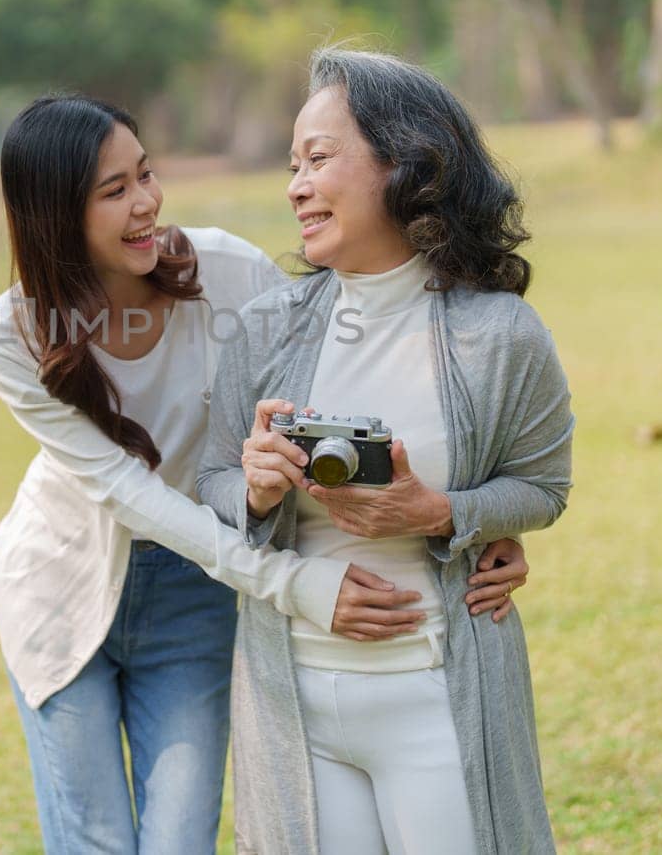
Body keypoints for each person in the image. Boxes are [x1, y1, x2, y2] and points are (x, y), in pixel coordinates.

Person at [0, 94, 532, 853]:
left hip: (198, 585)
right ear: (52, 215)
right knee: (93, 838)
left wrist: (470, 517)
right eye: (114, 192)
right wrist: (297, 584)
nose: (146, 204)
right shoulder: (9, 334)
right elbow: (125, 491)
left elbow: (346, 382)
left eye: (146, 174)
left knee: (178, 839)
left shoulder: (229, 272)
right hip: (61, 583)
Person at [197, 47, 574, 855]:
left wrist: (445, 512)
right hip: (291, 698)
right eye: (292, 163)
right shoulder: (267, 325)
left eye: (320, 157)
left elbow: (543, 486)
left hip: (437, 689)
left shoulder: (501, 333)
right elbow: (212, 482)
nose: (295, 184)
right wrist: (256, 491)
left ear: (406, 163)